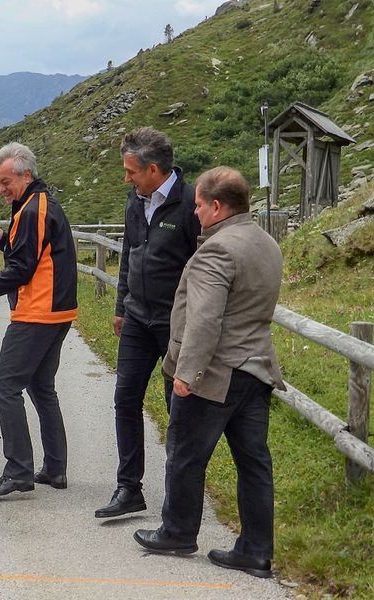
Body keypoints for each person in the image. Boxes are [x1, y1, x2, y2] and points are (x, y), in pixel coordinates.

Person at [133, 166, 285, 580]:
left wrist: (187, 373)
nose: (195, 212)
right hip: (256, 368)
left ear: (216, 206)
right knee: (254, 462)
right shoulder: (266, 243)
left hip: (215, 373)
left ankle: (177, 532)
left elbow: (204, 319)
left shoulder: (217, 250)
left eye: (199, 204)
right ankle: (256, 551)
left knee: (185, 455)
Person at [0, 142, 78, 497]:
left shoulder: (33, 209)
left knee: (4, 385)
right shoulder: (36, 205)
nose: (1, 189)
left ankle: (18, 471)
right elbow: (36, 251)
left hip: (37, 312)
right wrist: (7, 238)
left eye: (6, 181)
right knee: (41, 387)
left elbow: (22, 269)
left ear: (26, 174)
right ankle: (55, 469)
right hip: (58, 311)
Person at [95, 127, 200, 519]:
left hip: (176, 323)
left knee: (178, 407)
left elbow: (203, 267)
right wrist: (122, 305)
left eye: (131, 171)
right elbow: (129, 254)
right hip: (138, 318)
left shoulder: (191, 203)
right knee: (125, 399)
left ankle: (178, 496)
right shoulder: (135, 200)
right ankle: (129, 488)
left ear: (153, 169)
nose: (126, 178)